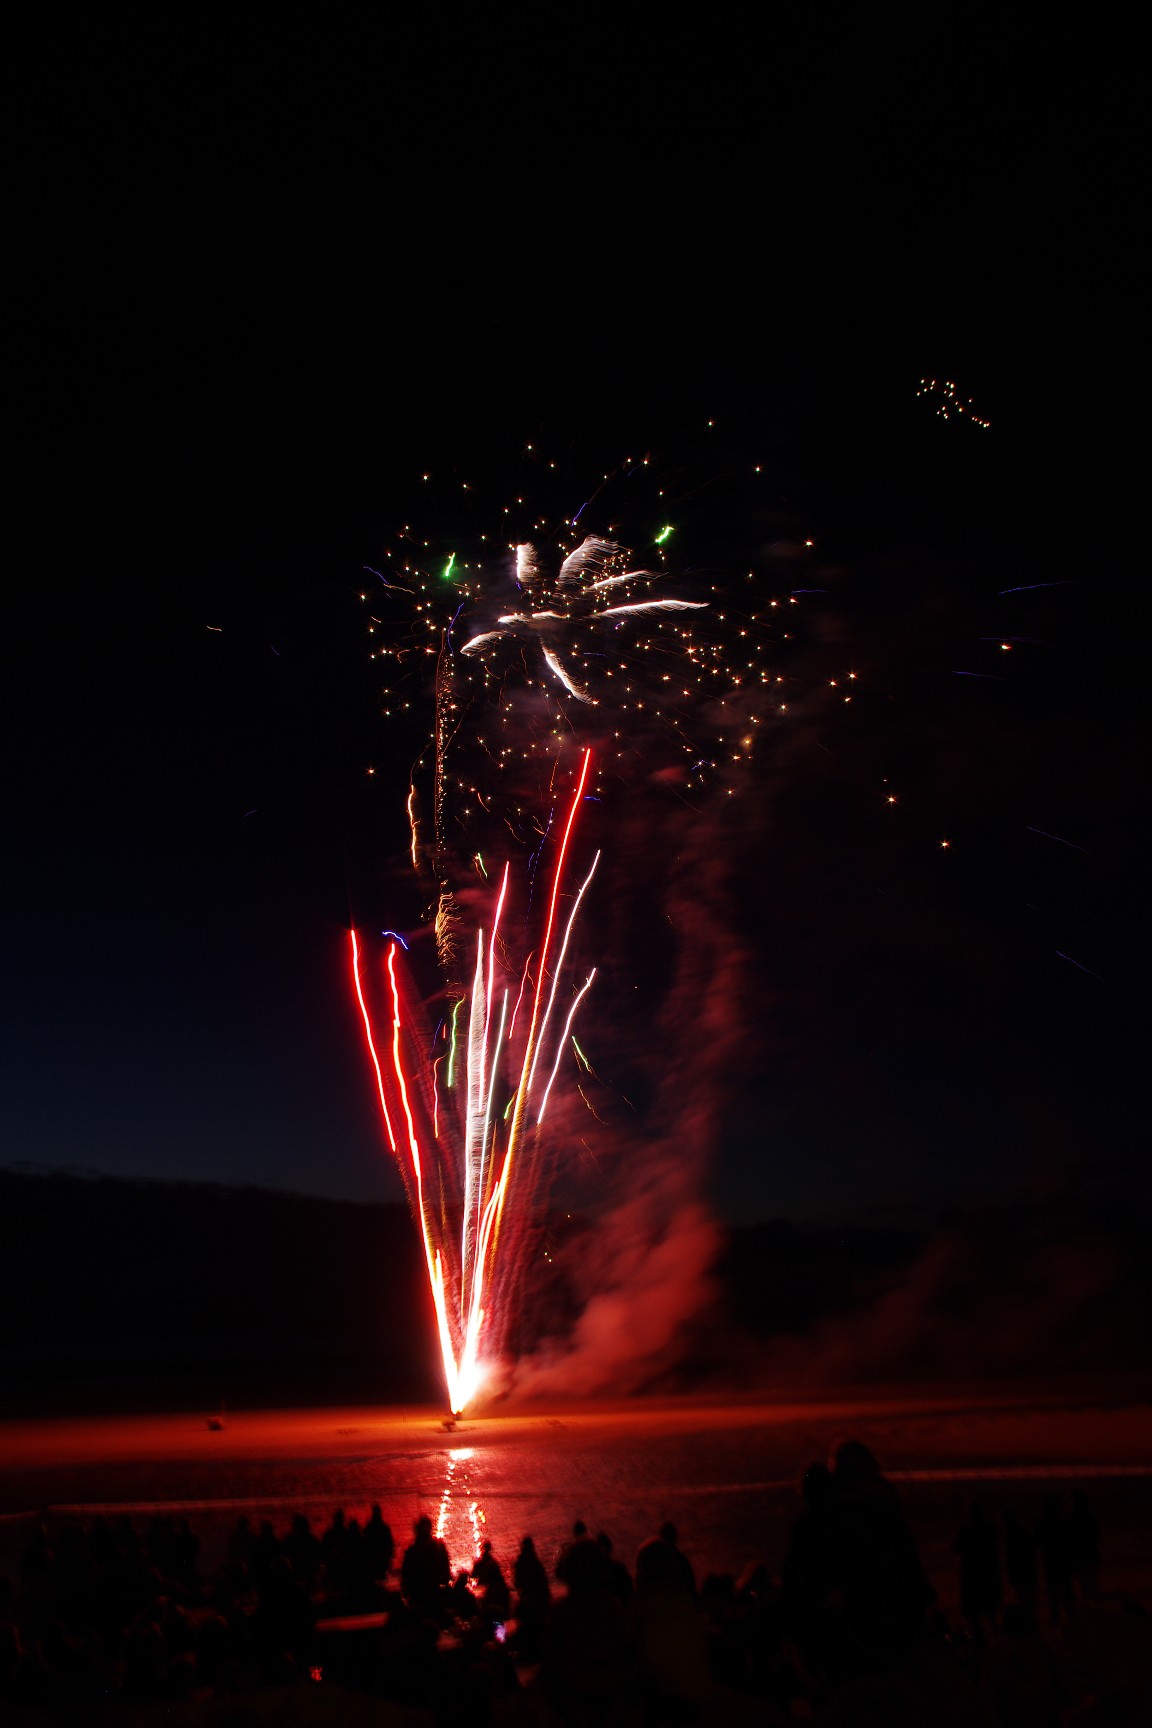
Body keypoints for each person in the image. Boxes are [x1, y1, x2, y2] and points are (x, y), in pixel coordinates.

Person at [400, 1515, 451, 1621]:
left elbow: (405, 1577)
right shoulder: (438, 1547)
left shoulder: (412, 1551)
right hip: (433, 1597)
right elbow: (446, 1574)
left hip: (417, 1599)